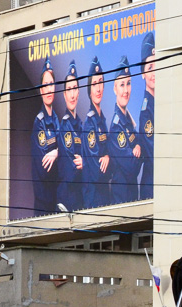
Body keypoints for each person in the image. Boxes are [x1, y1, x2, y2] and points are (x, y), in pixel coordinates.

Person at [108, 55, 141, 204]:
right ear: (115, 88)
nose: (126, 90)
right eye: (122, 85)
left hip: (133, 195)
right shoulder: (116, 127)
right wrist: (138, 150)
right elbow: (132, 166)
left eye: (128, 83)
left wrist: (139, 147)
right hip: (121, 199)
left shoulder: (128, 121)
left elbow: (143, 151)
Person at [30, 59, 60, 216]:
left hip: (55, 201)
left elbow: (65, 154)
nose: (48, 89)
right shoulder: (39, 123)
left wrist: (56, 153)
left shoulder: (56, 120)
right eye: (45, 85)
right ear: (40, 90)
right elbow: (45, 170)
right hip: (43, 205)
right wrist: (61, 153)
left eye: (51, 84)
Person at [81, 56, 111, 209]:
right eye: (94, 84)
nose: (98, 89)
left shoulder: (101, 120)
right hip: (94, 199)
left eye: (101, 83)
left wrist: (107, 156)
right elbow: (98, 171)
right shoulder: (89, 124)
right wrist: (111, 162)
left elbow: (108, 153)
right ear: (89, 90)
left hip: (104, 195)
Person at [56, 60, 84, 212]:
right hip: (67, 201)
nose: (72, 94)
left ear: (79, 92)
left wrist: (85, 162)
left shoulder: (81, 125)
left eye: (75, 89)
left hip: (79, 200)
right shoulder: (65, 127)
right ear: (64, 94)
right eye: (69, 90)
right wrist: (89, 165)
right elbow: (71, 170)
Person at [137, 31, 155, 200]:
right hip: (152, 188)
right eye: (150, 68)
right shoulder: (146, 111)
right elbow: (154, 151)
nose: (154, 72)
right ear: (143, 74)